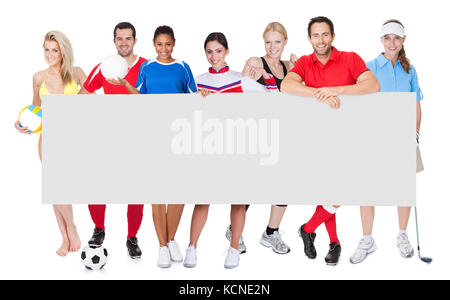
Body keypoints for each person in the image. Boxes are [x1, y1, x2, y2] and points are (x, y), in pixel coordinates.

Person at [281, 16, 380, 265]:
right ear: (309, 39)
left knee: (338, 192)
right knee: (328, 191)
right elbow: (287, 85)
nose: (321, 40)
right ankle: (334, 244)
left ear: (333, 36)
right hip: (317, 137)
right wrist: (320, 94)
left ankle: (308, 228)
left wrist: (339, 89)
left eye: (325, 34)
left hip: (350, 136)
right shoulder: (305, 62)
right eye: (316, 35)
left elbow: (373, 84)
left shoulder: (350, 58)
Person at [181, 32, 278, 269]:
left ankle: (234, 248)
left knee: (238, 200)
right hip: (208, 149)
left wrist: (266, 76)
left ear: (227, 51)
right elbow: (183, 112)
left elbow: (273, 98)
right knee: (203, 200)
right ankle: (192, 247)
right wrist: (196, 99)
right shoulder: (198, 80)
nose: (214, 56)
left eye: (218, 51)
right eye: (209, 51)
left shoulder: (240, 79)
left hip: (236, 146)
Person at [108, 25, 197, 268]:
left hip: (178, 136)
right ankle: (161, 246)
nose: (164, 48)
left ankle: (170, 240)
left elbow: (193, 100)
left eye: (168, 44)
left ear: (174, 43)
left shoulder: (183, 67)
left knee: (179, 192)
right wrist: (125, 86)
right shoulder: (147, 67)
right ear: (153, 44)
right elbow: (140, 98)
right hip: (153, 135)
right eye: (159, 44)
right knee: (157, 193)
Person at [350, 19, 424, 264]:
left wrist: (415, 133)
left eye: (396, 38)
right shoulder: (368, 67)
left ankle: (402, 235)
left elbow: (416, 104)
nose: (392, 43)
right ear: (381, 40)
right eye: (387, 38)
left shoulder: (410, 70)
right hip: (374, 137)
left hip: (403, 136)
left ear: (403, 40)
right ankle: (367, 239)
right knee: (367, 190)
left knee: (403, 190)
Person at [78, 22, 147, 259]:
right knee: (96, 183)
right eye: (119, 38)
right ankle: (98, 229)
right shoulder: (103, 67)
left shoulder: (146, 67)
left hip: (138, 138)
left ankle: (132, 237)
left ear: (135, 41)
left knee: (136, 190)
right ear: (114, 41)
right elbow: (81, 98)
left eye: (128, 38)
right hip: (107, 136)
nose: (124, 43)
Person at [14, 31, 86, 256]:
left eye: (55, 50)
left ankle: (69, 231)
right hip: (48, 136)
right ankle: (67, 234)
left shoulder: (76, 73)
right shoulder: (38, 77)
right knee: (55, 186)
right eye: (47, 49)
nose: (50, 54)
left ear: (64, 50)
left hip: (72, 136)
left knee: (62, 186)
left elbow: (92, 95)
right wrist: (22, 123)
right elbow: (35, 111)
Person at [242, 21, 298, 255]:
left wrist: (299, 72)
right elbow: (240, 92)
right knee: (252, 185)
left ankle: (271, 232)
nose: (272, 46)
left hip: (284, 133)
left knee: (284, 183)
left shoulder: (289, 66)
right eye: (268, 42)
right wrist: (251, 78)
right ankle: (234, 231)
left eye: (277, 41)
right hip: (259, 132)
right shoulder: (256, 62)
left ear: (285, 42)